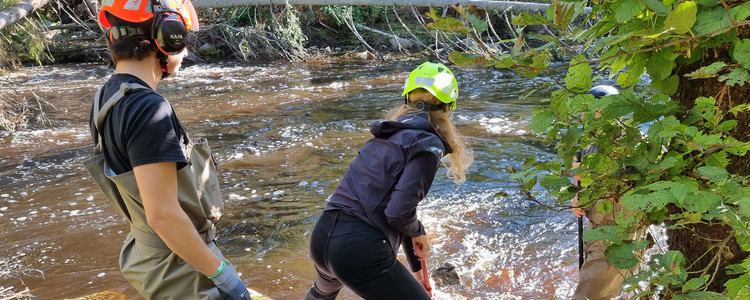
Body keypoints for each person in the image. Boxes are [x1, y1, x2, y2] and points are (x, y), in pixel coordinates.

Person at [82, 0, 251, 299]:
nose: (185, 51)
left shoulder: (106, 97)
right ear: (166, 37)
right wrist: (224, 277)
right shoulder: (149, 109)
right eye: (182, 38)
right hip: (180, 268)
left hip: (149, 259)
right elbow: (163, 215)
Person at [304, 62, 473, 300]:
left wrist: (417, 276)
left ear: (407, 98)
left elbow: (397, 211)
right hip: (358, 249)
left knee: (320, 296)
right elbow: (398, 212)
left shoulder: (387, 134)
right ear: (448, 108)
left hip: (322, 238)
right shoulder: (428, 144)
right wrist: (420, 234)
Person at [571, 85, 642, 299]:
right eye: (585, 110)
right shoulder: (587, 140)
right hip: (597, 224)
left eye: (593, 109)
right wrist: (577, 196)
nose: (585, 115)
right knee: (605, 284)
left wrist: (595, 179)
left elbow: (635, 186)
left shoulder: (630, 141)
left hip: (617, 230)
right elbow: (578, 177)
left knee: (590, 291)